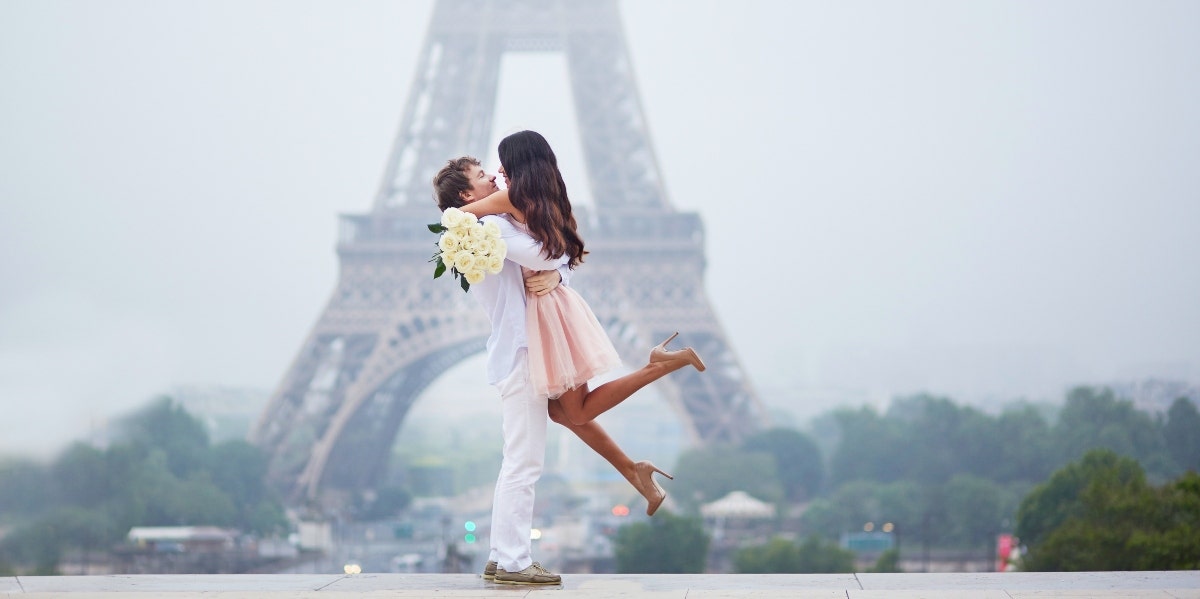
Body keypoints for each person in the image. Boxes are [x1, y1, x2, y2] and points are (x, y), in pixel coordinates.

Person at [432, 155, 683, 585]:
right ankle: (512, 561)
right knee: (524, 463)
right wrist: (516, 201)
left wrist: (558, 276)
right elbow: (549, 251)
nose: (492, 176)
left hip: (531, 350)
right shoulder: (484, 227)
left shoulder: (490, 223)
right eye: (481, 177)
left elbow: (553, 259)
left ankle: (501, 556)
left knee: (557, 426)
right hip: (523, 354)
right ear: (465, 195)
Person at [459, 130, 706, 427]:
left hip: (549, 313)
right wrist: (558, 272)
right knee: (560, 412)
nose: (499, 170)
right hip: (556, 306)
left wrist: (466, 218)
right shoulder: (550, 202)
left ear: (520, 164)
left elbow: (456, 216)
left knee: (576, 413)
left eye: (503, 163)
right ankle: (656, 373)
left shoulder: (509, 198)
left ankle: (656, 367)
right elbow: (566, 252)